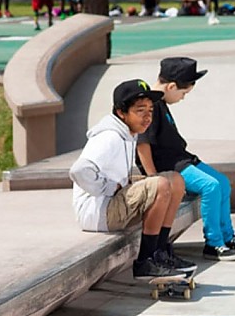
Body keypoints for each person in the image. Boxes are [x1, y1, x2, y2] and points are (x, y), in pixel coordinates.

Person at [69, 79, 195, 278]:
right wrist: (110, 188)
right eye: (140, 110)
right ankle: (146, 260)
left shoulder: (128, 132)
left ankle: (161, 252)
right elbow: (79, 171)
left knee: (175, 180)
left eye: (151, 111)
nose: (147, 117)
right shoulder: (109, 136)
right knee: (160, 184)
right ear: (121, 112)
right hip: (98, 213)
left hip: (111, 205)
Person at [137, 57, 235, 262]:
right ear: (172, 86)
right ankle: (214, 244)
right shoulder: (152, 107)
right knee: (210, 187)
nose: (183, 98)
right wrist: (153, 177)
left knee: (222, 183)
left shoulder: (162, 103)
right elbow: (143, 143)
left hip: (183, 159)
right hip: (171, 166)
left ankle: (227, 236)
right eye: (183, 93)